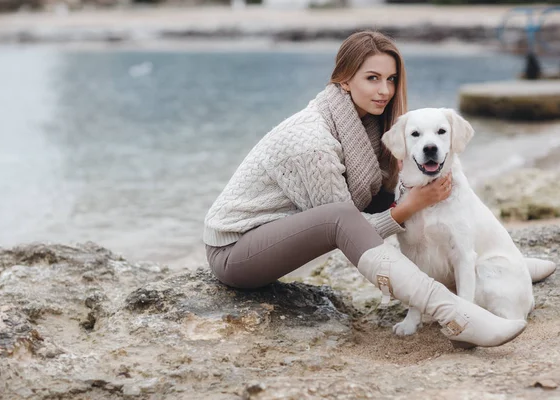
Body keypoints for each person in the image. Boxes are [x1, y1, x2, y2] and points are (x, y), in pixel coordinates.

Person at [203, 31, 527, 348]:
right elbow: (350, 231)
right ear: (344, 79)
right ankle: (455, 313)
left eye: (391, 79)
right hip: (235, 252)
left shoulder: (368, 128)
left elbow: (376, 204)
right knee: (341, 216)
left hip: (275, 240)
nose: (385, 90)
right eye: (372, 78)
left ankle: (514, 262)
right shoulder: (311, 140)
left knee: (401, 193)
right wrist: (410, 205)